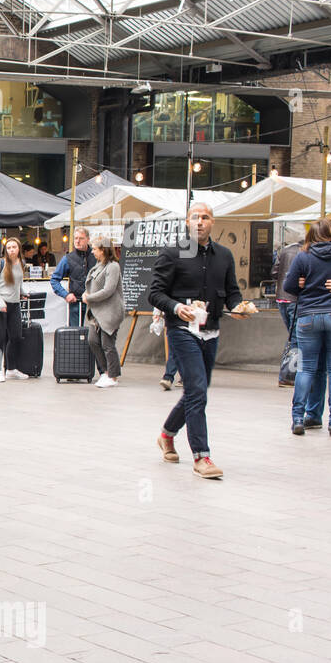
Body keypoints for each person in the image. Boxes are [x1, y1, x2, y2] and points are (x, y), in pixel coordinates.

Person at [149, 202, 250, 479]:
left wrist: (238, 306)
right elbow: (155, 293)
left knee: (197, 390)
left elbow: (232, 291)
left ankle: (166, 435)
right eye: (195, 217)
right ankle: (201, 457)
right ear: (187, 222)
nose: (200, 222)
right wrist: (175, 307)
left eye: (205, 217)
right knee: (197, 391)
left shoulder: (224, 255)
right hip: (182, 330)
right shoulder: (172, 253)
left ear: (213, 222)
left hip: (211, 331)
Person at [283, 217, 331, 436]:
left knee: (306, 368)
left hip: (308, 317)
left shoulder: (303, 256)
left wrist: (302, 283)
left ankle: (298, 419)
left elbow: (289, 286)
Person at [0, 237, 30, 383]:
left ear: (19, 249)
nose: (11, 250)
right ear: (5, 250)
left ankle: (11, 369)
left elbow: (18, 282)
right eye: (9, 247)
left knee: (16, 336)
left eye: (14, 247)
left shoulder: (21, 263)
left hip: (14, 304)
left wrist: (22, 292)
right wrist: (0, 302)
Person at [83, 241, 124, 388]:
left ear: (103, 250)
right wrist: (86, 294)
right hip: (96, 312)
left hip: (110, 312)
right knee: (93, 340)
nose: (92, 251)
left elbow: (108, 290)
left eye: (95, 249)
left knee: (107, 344)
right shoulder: (98, 266)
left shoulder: (113, 266)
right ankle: (106, 372)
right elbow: (93, 286)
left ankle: (113, 376)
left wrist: (89, 298)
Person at [271, 236, 303, 388]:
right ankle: (288, 375)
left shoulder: (285, 250)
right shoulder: (306, 253)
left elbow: (274, 272)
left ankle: (288, 374)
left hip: (281, 297)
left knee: (292, 336)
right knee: (295, 337)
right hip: (295, 298)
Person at [51, 227, 94, 327]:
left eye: (81, 238)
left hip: (94, 304)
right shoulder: (67, 258)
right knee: (75, 335)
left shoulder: (96, 255)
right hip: (76, 305)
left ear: (88, 239)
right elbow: (54, 279)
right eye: (75, 238)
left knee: (94, 335)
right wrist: (66, 295)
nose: (77, 241)